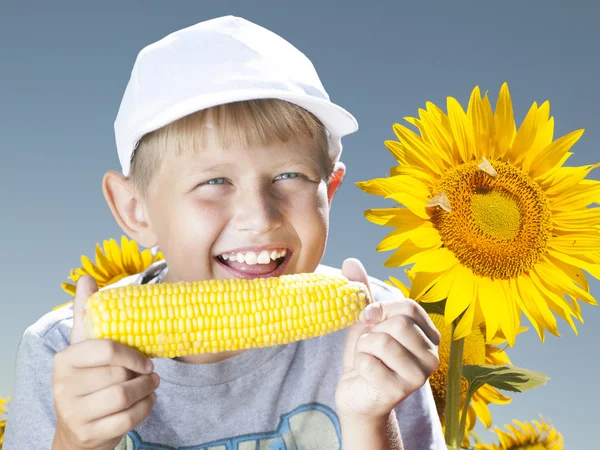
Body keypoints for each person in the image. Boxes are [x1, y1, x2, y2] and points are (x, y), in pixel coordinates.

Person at [3, 15, 445, 450]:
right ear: (136, 210)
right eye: (214, 182)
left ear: (329, 192)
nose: (259, 216)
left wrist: (371, 420)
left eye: (290, 175)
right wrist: (75, 443)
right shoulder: (60, 351)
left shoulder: (377, 337)